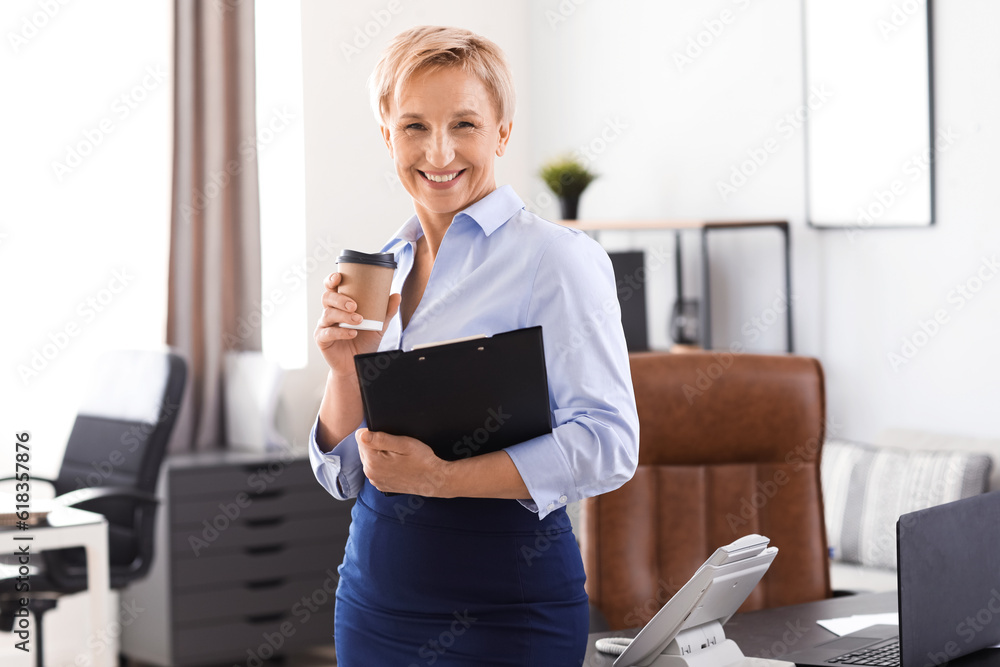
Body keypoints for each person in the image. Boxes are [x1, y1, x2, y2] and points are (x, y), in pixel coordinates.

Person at [308, 25, 639, 665]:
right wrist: (345, 372)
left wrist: (443, 477)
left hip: (506, 607)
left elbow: (609, 442)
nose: (438, 151)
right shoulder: (383, 267)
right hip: (375, 601)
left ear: (501, 133)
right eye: (413, 127)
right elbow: (342, 476)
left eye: (464, 124)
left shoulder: (557, 260)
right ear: (387, 137)